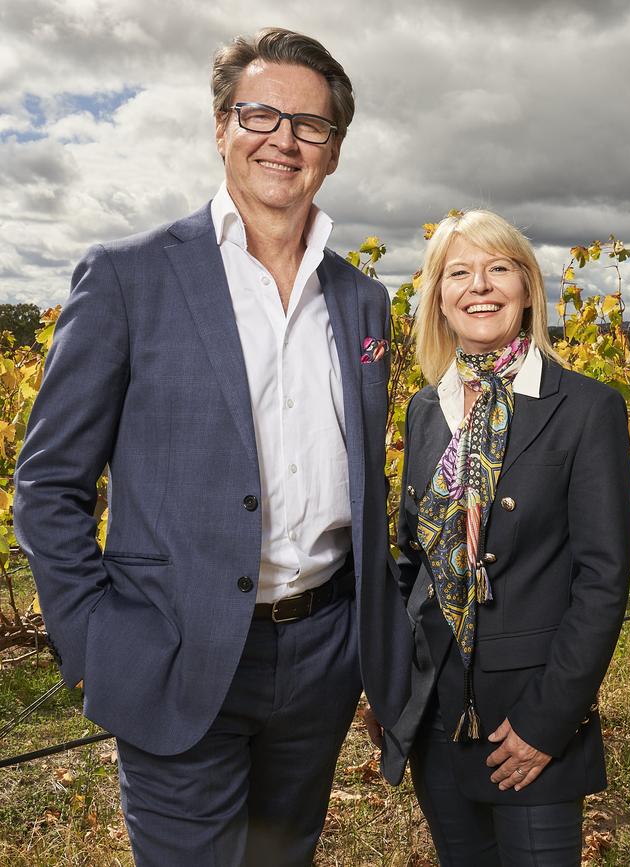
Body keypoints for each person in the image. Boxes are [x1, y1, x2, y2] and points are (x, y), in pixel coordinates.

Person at [13, 27, 412, 867]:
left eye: (310, 126)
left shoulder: (365, 300)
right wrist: (94, 640)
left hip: (323, 654)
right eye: (259, 114)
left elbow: (369, 483)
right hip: (171, 652)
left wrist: (371, 647)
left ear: (333, 153)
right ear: (221, 128)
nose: (284, 139)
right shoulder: (128, 278)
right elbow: (48, 485)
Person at [366, 209, 630, 866]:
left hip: (529, 722)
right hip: (434, 720)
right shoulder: (428, 409)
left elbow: (602, 581)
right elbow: (410, 562)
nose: (479, 285)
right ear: (440, 296)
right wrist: (389, 685)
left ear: (526, 287)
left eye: (498, 268)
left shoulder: (586, 408)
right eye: (459, 272)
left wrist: (551, 720)